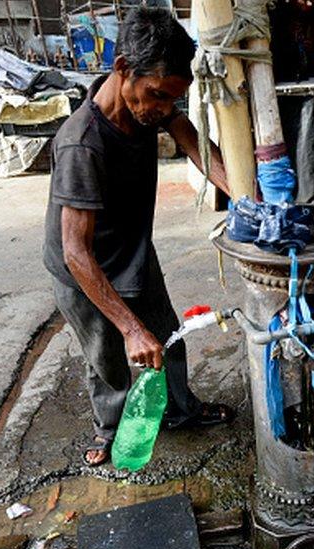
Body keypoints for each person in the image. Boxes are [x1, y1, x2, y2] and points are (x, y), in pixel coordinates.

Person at [44, 7, 234, 466]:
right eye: (158, 96)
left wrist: (246, 198)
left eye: (172, 100)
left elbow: (193, 144)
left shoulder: (150, 108)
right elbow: (75, 251)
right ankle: (109, 429)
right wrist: (128, 327)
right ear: (123, 69)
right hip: (83, 271)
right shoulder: (82, 144)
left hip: (132, 251)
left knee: (167, 336)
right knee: (108, 357)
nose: (165, 109)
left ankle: (182, 410)